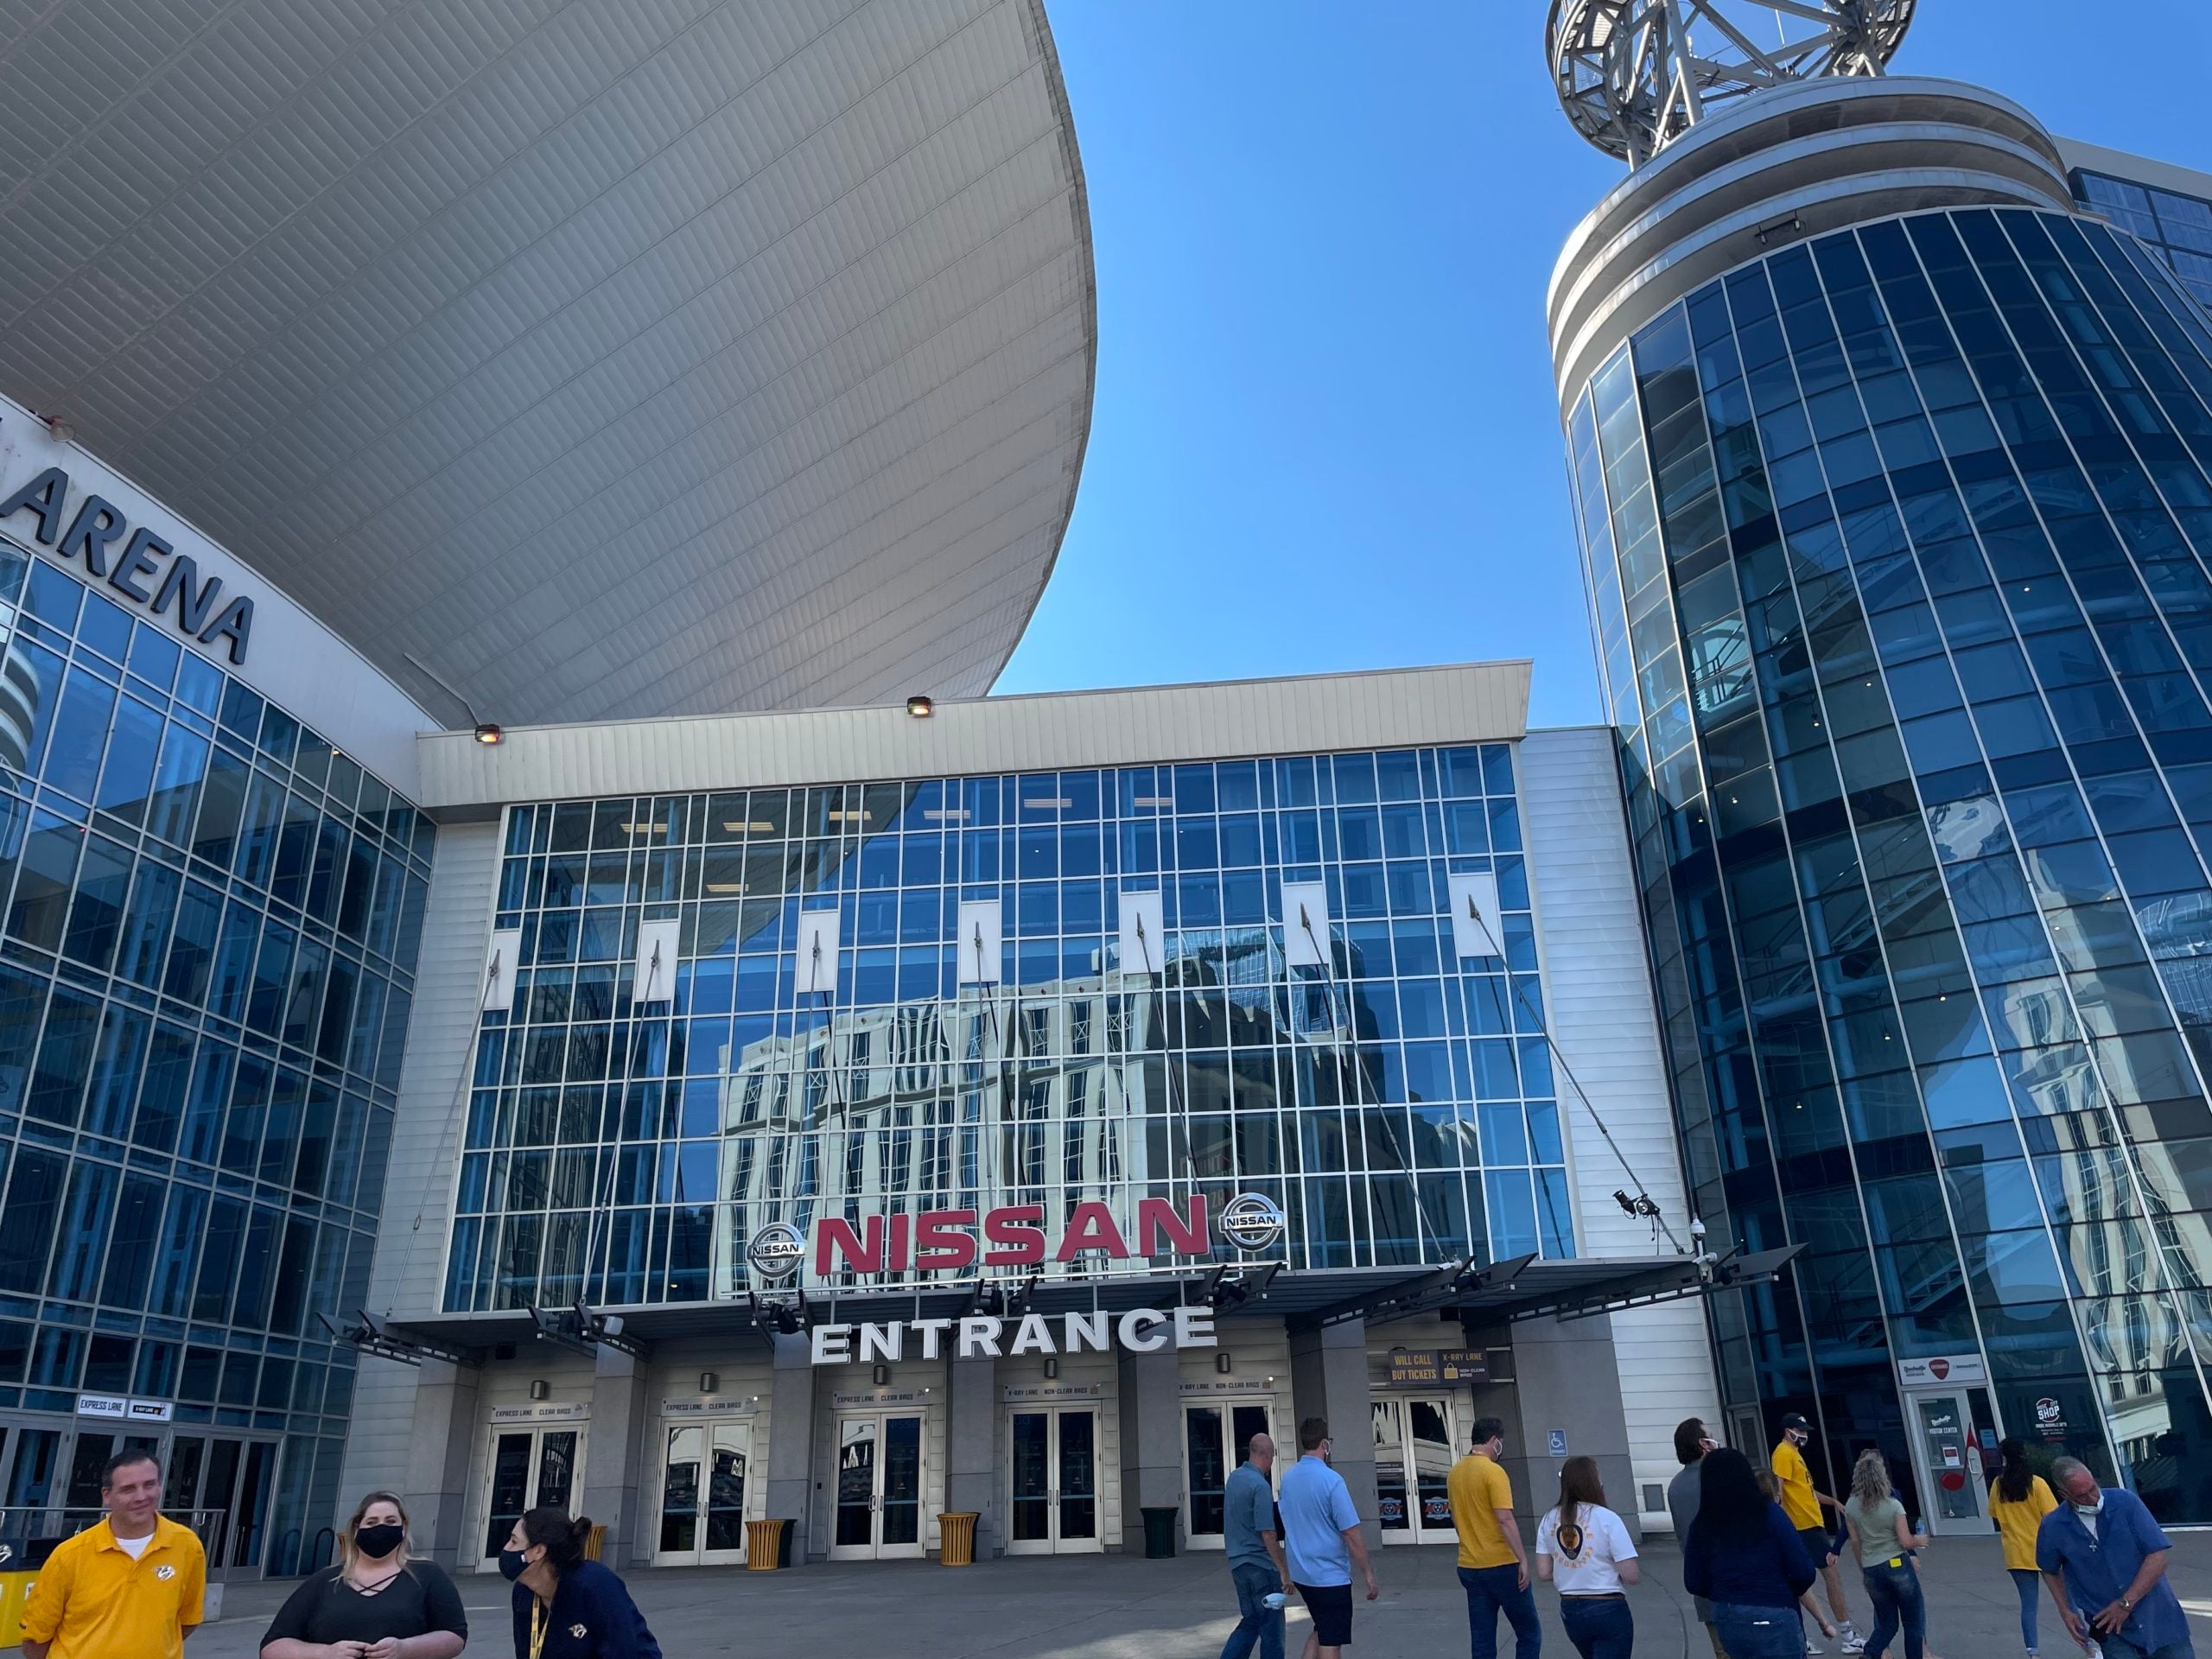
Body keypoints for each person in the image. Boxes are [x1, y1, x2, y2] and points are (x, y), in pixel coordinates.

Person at [22, 1449, 206, 1659]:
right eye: (128, 1489)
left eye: (149, 1485)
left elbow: (187, 1620)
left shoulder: (187, 1546)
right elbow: (36, 1639)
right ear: (107, 1495)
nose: (141, 1497)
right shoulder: (70, 1555)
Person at [262, 1490, 467, 1659]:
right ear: (357, 1528)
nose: (380, 1528)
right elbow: (272, 1647)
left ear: (403, 1528)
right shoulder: (325, 1581)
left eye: (390, 1521)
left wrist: (405, 1649)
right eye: (372, 1522)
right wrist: (325, 1652)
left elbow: (455, 1636)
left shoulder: (428, 1575)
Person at [2037, 1457, 2194, 1659]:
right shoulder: (2053, 1526)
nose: (2092, 1498)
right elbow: (2049, 1569)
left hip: (2159, 1618)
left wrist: (2125, 1604)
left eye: (2093, 1488)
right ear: (2064, 1495)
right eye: (2082, 1496)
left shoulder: (2125, 1502)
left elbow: (2158, 1556)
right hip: (2110, 1628)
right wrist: (2066, 1610)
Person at [1684, 1446, 1820, 1659]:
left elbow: (1693, 1582)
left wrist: (1725, 1592)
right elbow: (1804, 1570)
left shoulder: (1702, 1524)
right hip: (1773, 1608)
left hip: (1728, 1614)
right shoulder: (1770, 1513)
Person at [1277, 1417, 1379, 1659]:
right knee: (1331, 1641)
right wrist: (1368, 1573)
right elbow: (1351, 1532)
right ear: (1325, 1443)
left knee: (1321, 1629)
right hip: (1329, 1576)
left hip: (1302, 1572)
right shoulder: (1332, 1480)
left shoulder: (1288, 1479)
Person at [503, 1506, 660, 1659]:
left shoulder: (595, 1584)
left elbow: (622, 1650)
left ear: (538, 1551)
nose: (506, 1548)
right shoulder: (523, 1592)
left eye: (514, 1541)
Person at [1450, 1416, 1540, 1659]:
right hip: (1501, 1564)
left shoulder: (1455, 1473)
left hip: (1470, 1565)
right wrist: (1522, 1559)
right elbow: (1504, 1518)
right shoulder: (1494, 1472)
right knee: (1529, 1631)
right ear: (1493, 1440)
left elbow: (1457, 1519)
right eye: (1500, 1442)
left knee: (1482, 1638)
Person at [1774, 1414, 1862, 1654]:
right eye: (1799, 1430)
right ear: (1787, 1430)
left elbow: (1807, 1492)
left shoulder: (1794, 1455)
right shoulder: (1783, 1454)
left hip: (1811, 1525)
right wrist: (1781, 1522)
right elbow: (1778, 1491)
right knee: (1828, 1577)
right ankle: (1847, 1635)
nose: (1804, 1435)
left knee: (1803, 1581)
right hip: (1804, 1527)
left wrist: (1833, 1501)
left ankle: (1808, 1637)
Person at [1537, 1454, 1639, 1659]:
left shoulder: (1549, 1519)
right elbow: (1631, 1575)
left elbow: (1544, 1572)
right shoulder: (1607, 1518)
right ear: (1593, 1482)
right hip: (1607, 1607)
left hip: (1570, 1609)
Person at [1842, 1450, 1929, 1659]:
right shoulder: (1893, 1506)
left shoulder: (1851, 1506)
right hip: (1897, 1563)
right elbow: (1905, 1541)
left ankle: (1871, 1653)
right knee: (1913, 1622)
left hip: (1872, 1567)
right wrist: (1920, 1540)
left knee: (1887, 1622)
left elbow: (1855, 1542)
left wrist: (1864, 1569)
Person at [1223, 1433, 1295, 1659]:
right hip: (1261, 1568)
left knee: (1251, 1621)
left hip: (1238, 1564)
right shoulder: (1260, 1486)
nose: (1272, 1462)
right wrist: (1283, 1570)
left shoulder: (1234, 1479)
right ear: (1266, 1455)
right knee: (1272, 1632)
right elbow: (1267, 1532)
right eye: (1272, 1456)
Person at [1990, 1440, 2058, 1659]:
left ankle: (2033, 1652)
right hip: (2044, 1548)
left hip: (2016, 1551)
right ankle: (2089, 1646)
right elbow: (2052, 1517)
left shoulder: (1998, 1485)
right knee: (2067, 1601)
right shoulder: (2037, 1484)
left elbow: (1994, 1515)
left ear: (2003, 1458)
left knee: (2028, 1606)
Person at [1669, 1418, 1729, 1659]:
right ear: (1702, 1444)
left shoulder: (1675, 1486)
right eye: (1711, 1436)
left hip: (1703, 1584)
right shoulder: (1720, 1477)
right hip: (1736, 1581)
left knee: (1722, 1652)